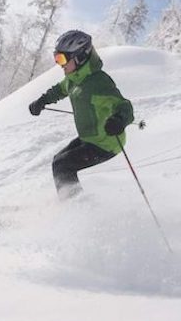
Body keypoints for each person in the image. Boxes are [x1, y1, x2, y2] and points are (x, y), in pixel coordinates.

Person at [28, 30, 134, 199]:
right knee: (58, 160)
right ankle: (72, 201)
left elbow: (125, 106)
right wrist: (42, 101)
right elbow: (60, 90)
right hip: (89, 138)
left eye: (62, 59)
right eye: (56, 58)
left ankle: (75, 207)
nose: (59, 64)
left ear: (79, 57)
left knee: (63, 165)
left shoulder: (98, 81)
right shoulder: (73, 78)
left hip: (106, 143)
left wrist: (119, 120)